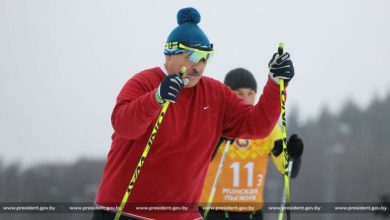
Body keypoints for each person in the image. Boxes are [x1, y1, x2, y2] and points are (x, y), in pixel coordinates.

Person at [93, 7, 295, 220]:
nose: (199, 67)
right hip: (126, 211)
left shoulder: (215, 94)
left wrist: (276, 83)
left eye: (205, 58)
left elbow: (257, 126)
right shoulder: (143, 82)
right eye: (193, 56)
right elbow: (124, 125)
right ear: (169, 54)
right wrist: (156, 98)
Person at [198, 68, 304, 220]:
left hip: (251, 213)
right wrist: (220, 137)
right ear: (228, 95)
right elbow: (195, 162)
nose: (245, 99)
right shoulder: (214, 123)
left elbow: (288, 171)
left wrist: (295, 155)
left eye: (250, 93)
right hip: (213, 211)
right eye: (239, 94)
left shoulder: (269, 129)